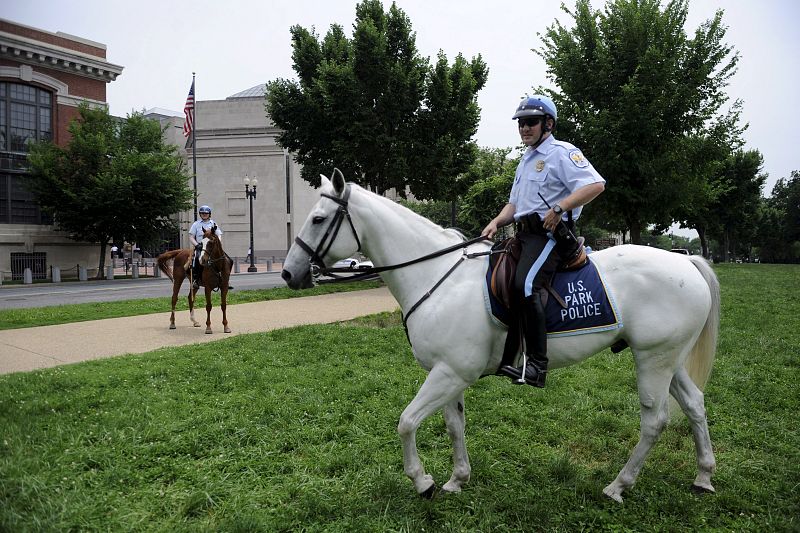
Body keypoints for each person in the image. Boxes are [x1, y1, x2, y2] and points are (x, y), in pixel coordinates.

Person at [481, 95, 605, 388]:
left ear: (548, 124)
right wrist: (497, 221)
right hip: (523, 235)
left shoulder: (562, 152)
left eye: (531, 122)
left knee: (525, 285)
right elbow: (514, 205)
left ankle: (537, 365)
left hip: (551, 235)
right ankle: (507, 352)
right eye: (521, 123)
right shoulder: (525, 160)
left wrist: (561, 207)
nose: (524, 128)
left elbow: (595, 184)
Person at [188, 205, 226, 290]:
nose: (204, 214)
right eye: (202, 213)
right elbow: (191, 237)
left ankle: (224, 280)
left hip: (212, 247)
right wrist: (196, 245)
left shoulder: (213, 224)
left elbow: (219, 235)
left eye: (206, 213)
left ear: (209, 214)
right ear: (200, 214)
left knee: (225, 259)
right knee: (197, 259)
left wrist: (217, 243)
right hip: (200, 247)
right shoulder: (196, 224)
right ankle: (196, 280)